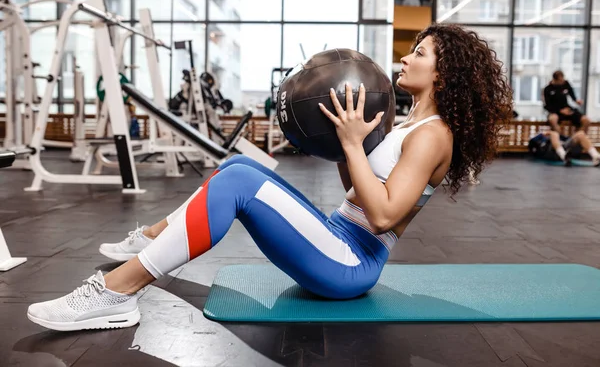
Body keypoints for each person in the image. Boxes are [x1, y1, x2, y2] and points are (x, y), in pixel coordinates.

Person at [26, 24, 513, 332]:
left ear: (444, 74)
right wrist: (347, 141)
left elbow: (384, 215)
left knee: (239, 184)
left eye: (420, 53)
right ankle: (154, 237)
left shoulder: (433, 135)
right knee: (239, 168)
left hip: (350, 263)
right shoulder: (405, 123)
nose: (406, 58)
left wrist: (350, 143)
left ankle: (117, 292)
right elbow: (357, 186)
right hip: (337, 238)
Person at [530, 130, 600, 166]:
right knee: (554, 134)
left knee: (581, 134)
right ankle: (564, 156)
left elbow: (568, 140)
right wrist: (544, 134)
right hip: (549, 151)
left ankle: (596, 157)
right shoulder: (542, 137)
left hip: (564, 148)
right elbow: (532, 145)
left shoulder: (561, 136)